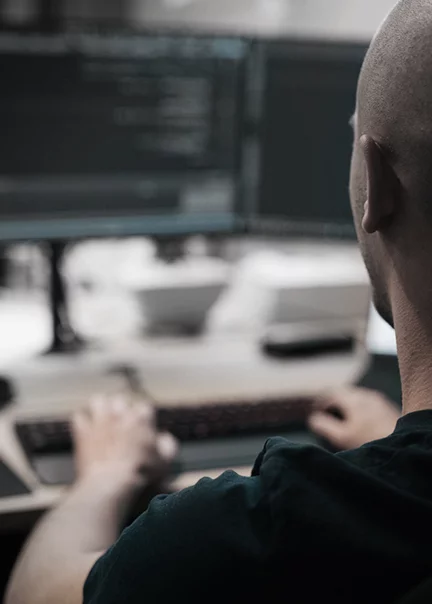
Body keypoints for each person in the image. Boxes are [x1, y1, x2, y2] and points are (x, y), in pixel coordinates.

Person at [7, 0, 432, 601]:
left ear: (376, 183)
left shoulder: (239, 539)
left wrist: (101, 478)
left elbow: (32, 593)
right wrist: (396, 437)